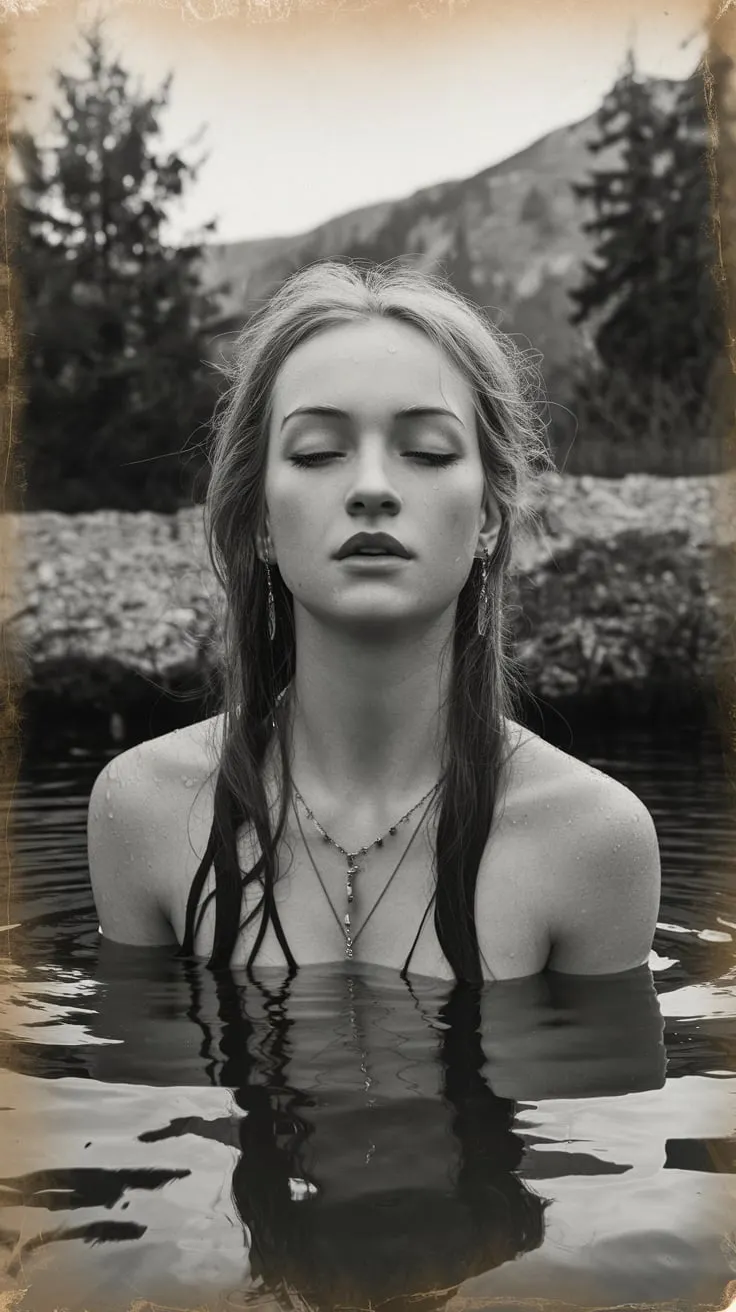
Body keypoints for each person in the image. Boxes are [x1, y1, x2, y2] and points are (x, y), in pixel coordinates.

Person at [87, 260, 661, 983]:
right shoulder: (145, 810)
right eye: (318, 453)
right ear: (260, 520)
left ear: (489, 517)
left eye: (426, 452)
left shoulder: (593, 840)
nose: (371, 488)